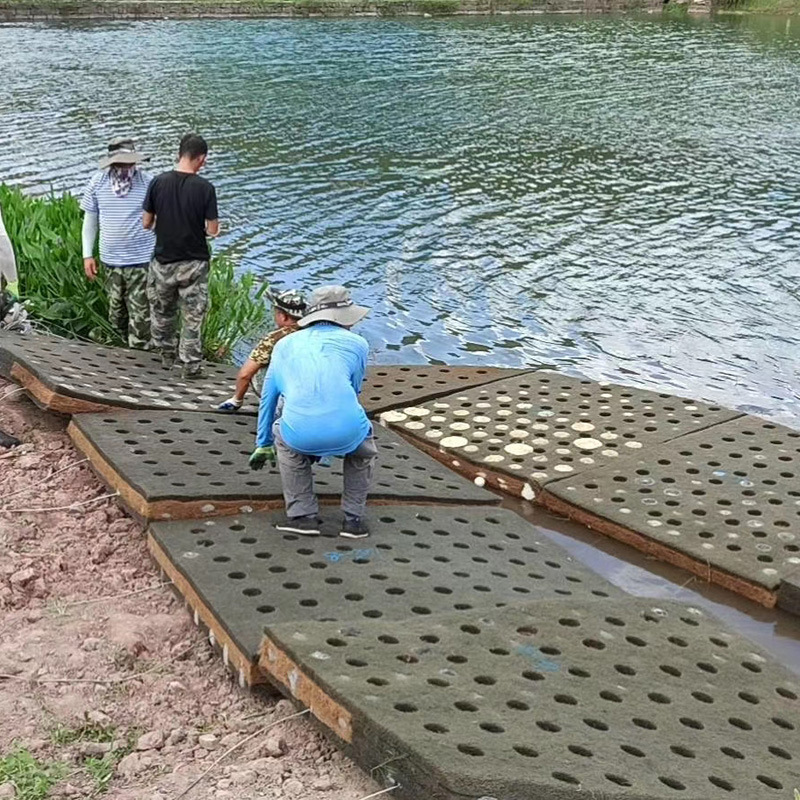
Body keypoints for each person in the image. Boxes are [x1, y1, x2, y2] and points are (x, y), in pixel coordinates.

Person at [249, 285, 376, 539]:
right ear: (346, 318)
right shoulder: (359, 344)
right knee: (363, 450)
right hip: (347, 431)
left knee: (282, 434)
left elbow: (268, 398)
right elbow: (355, 389)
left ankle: (302, 516)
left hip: (300, 434)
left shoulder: (284, 345)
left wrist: (263, 443)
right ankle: (353, 520)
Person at [143, 133, 219, 379]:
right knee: (192, 316)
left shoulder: (157, 182)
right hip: (194, 263)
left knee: (162, 311)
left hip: (163, 261)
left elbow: (146, 223)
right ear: (202, 159)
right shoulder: (205, 188)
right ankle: (191, 367)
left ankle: (166, 356)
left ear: (179, 154)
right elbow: (213, 230)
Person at [80, 138, 155, 349]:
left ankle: (142, 357)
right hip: (111, 262)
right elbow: (90, 221)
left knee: (141, 320)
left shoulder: (148, 183)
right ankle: (121, 354)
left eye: (129, 163)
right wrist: (87, 254)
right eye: (120, 163)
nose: (125, 167)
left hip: (142, 262)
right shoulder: (97, 183)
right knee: (116, 316)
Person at [217, 288, 306, 412]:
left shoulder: (274, 338)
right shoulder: (316, 332)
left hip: (288, 400)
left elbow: (245, 375)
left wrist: (237, 400)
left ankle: (272, 407)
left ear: (283, 316)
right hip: (315, 396)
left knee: (257, 366)